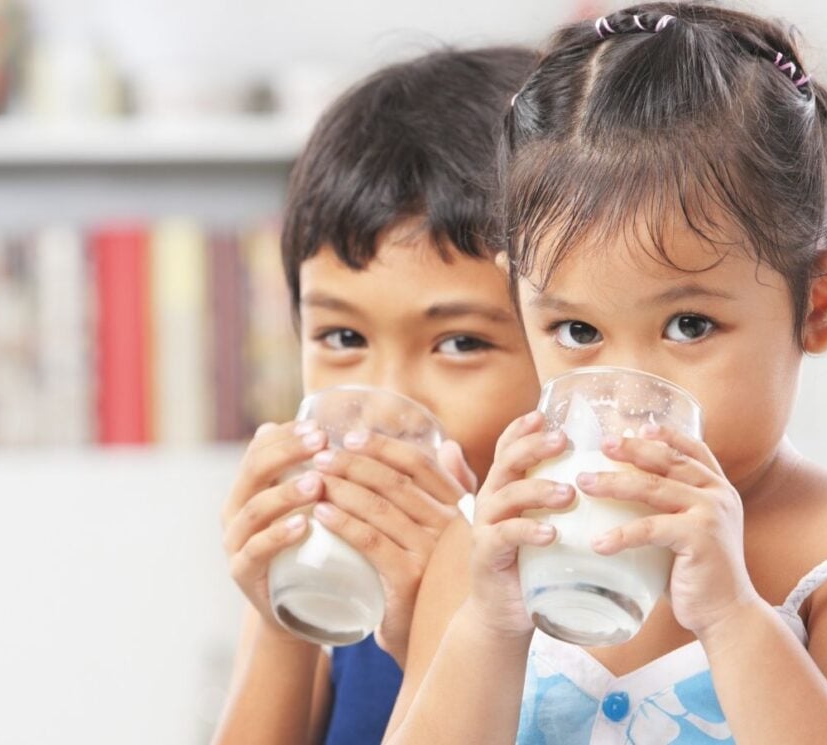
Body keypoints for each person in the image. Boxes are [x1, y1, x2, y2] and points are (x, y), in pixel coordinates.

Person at [385, 5, 827, 744]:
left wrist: (734, 620)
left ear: (825, 298)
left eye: (689, 325)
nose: (627, 393)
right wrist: (488, 626)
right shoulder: (482, 548)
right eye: (577, 330)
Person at [211, 46, 541, 745]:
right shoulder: (329, 572)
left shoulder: (586, 586)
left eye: (460, 343)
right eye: (341, 337)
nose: (384, 407)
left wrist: (446, 612)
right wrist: (279, 623)